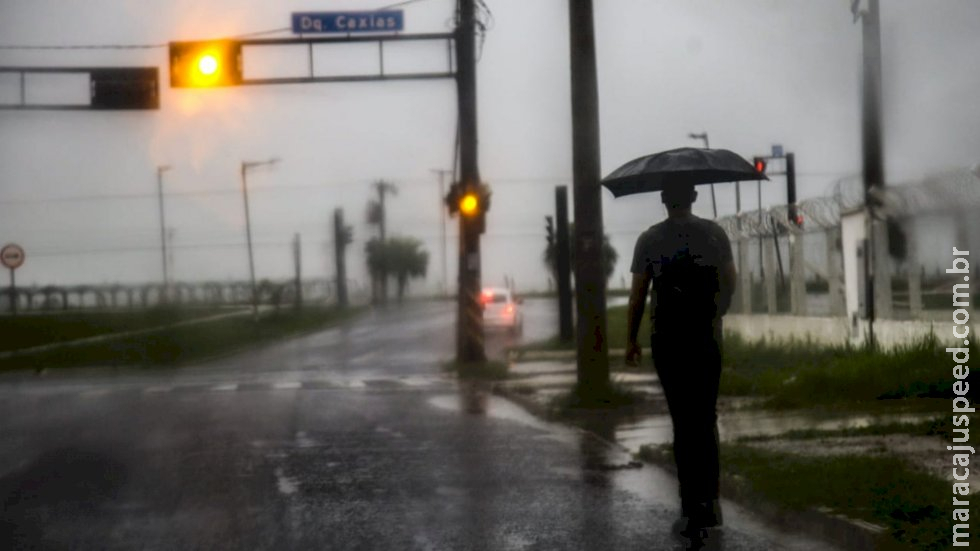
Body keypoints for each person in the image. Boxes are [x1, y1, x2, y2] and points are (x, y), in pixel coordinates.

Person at [625, 182, 736, 536]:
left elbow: (638, 294)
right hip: (706, 336)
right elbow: (730, 280)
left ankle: (690, 507)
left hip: (668, 341)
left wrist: (631, 339)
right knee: (706, 418)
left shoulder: (649, 239)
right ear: (694, 198)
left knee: (683, 420)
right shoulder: (715, 234)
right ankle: (711, 504)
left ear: (663, 200)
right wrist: (717, 312)